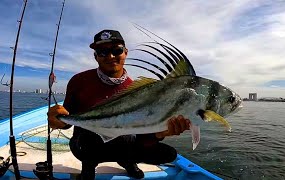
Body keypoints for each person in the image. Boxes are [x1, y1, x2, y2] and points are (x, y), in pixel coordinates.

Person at [47, 29, 191, 179]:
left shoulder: (138, 89)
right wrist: (57, 119)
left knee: (167, 154)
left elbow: (143, 135)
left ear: (125, 53)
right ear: (95, 56)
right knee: (86, 141)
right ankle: (88, 165)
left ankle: (128, 161)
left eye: (117, 50)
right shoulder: (79, 81)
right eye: (102, 52)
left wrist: (160, 134)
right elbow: (68, 118)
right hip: (88, 144)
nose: (110, 56)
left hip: (124, 143)